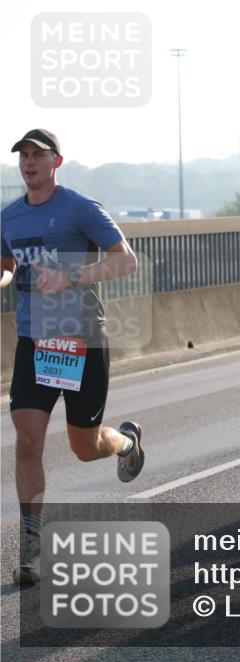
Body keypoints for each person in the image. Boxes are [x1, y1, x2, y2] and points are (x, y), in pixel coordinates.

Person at [2, 129, 143, 586]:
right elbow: (7, 266)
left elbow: (126, 261)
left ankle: (126, 443)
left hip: (82, 340)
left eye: (38, 155)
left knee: (85, 448)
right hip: (34, 342)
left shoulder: (81, 208)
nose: (29, 162)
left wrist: (71, 277)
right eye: (23, 155)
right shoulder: (9, 216)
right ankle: (32, 547)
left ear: (56, 162)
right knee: (28, 440)